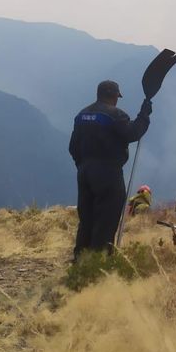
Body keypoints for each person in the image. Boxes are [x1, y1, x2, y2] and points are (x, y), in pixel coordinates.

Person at [69, 80, 152, 260]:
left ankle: (80, 263)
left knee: (87, 220)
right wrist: (144, 114)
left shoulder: (81, 115)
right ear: (114, 96)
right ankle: (98, 267)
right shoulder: (115, 115)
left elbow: (72, 147)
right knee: (105, 222)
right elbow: (133, 133)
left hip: (84, 173)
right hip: (108, 173)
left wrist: (83, 165)